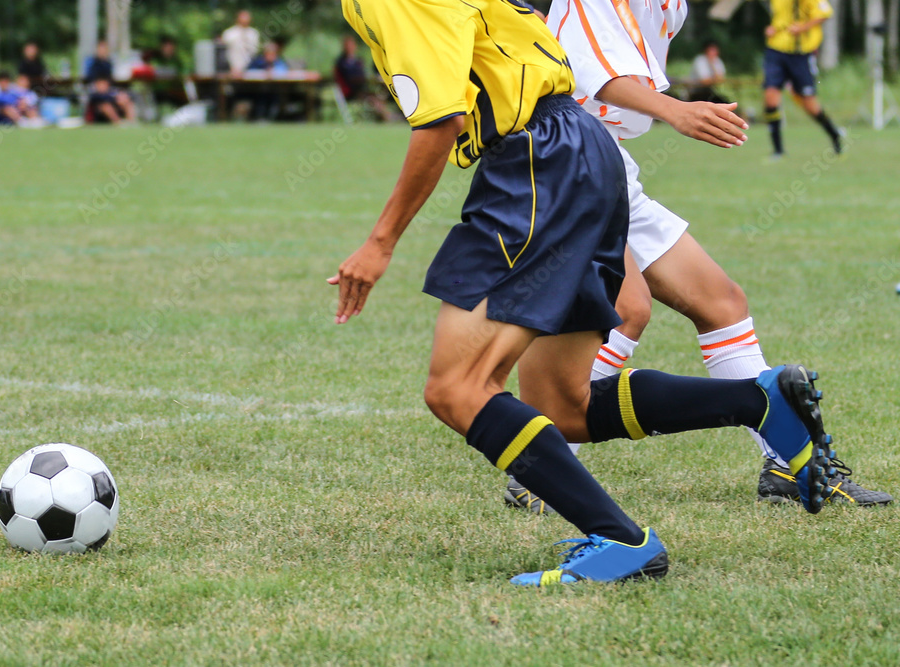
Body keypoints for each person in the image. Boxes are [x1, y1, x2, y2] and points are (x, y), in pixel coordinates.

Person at [334, 0, 839, 587]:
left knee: (457, 387)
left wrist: (380, 242)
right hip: (582, 147)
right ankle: (760, 401)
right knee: (564, 405)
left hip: (534, 163)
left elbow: (439, 120)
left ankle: (624, 542)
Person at [502, 0, 890, 518]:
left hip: (606, 156)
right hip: (561, 153)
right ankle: (538, 468)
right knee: (629, 307)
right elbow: (593, 72)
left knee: (721, 301)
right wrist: (678, 111)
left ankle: (785, 464)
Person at [763, 0, 842, 158]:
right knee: (770, 99)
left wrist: (802, 27)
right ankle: (778, 150)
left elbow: (825, 13)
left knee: (810, 106)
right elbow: (780, 18)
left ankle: (835, 135)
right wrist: (772, 29)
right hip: (776, 51)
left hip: (801, 55)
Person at [147, 35, 187, 108]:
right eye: (167, 47)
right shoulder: (156, 60)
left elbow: (183, 74)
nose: (170, 49)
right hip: (159, 91)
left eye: (171, 47)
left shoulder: (177, 61)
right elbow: (152, 71)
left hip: (174, 91)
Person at [222, 10, 260, 75]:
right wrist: (232, 67)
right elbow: (224, 52)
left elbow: (254, 52)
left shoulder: (254, 33)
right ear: (237, 18)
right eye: (243, 17)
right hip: (231, 69)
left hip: (250, 69)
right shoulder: (229, 33)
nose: (245, 19)